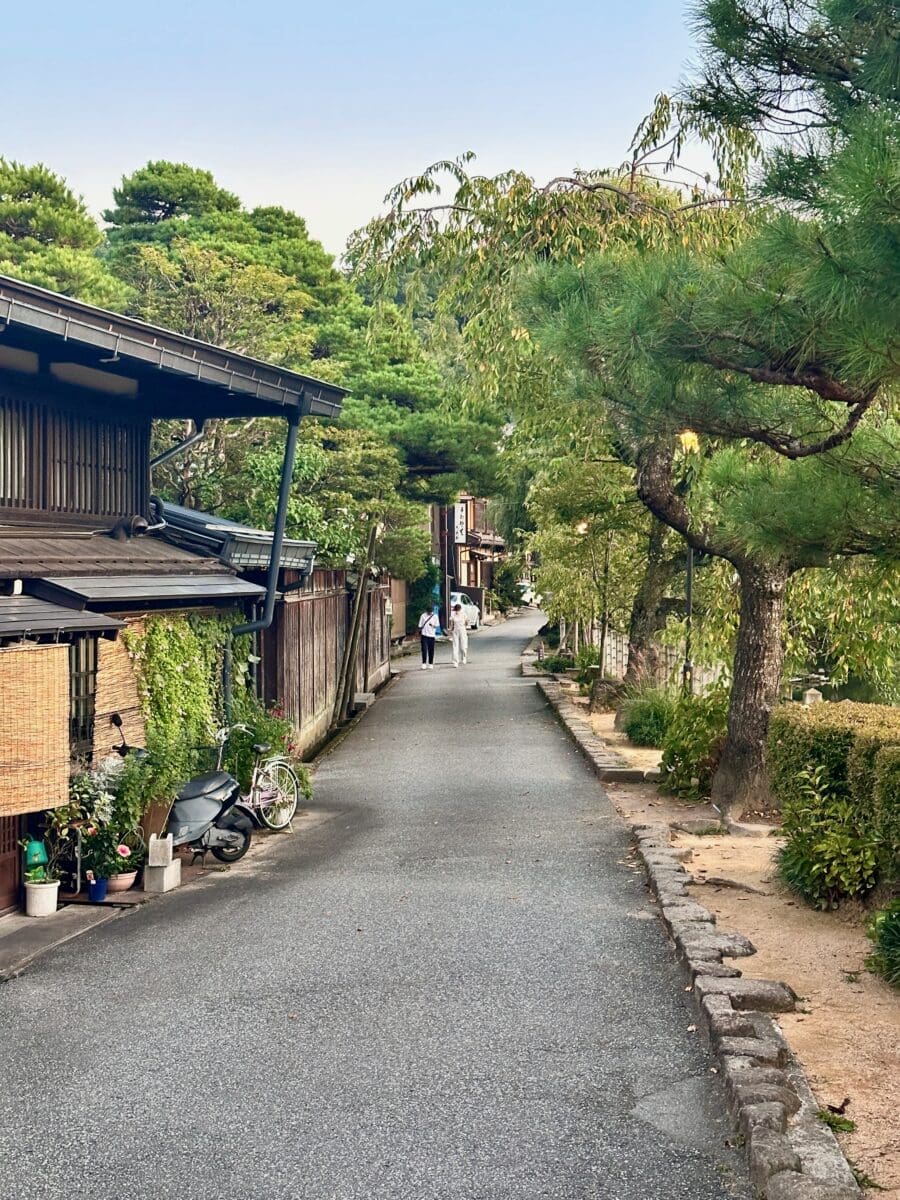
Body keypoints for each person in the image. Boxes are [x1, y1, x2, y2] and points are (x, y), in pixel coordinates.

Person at [449, 603, 468, 667]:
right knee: (455, 646)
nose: (457, 611)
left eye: (458, 610)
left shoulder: (464, 614)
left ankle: (464, 657)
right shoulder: (453, 615)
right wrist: (450, 631)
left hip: (462, 630)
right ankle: (455, 662)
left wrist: (465, 624)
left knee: (463, 646)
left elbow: (466, 623)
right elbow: (452, 624)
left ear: (460, 609)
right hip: (455, 631)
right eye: (456, 610)